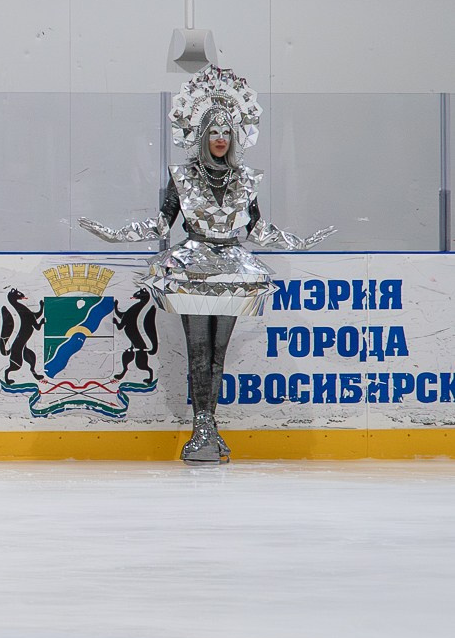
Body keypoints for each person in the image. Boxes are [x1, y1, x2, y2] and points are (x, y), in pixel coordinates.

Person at [81, 68, 327, 463]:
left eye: (226, 132)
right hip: (191, 269)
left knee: (218, 353)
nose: (220, 138)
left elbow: (258, 228)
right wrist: (116, 234)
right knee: (198, 351)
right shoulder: (182, 177)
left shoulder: (246, 179)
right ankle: (202, 428)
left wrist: (298, 242)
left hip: (232, 267)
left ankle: (209, 424)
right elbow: (161, 224)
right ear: (201, 135)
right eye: (213, 131)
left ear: (234, 138)